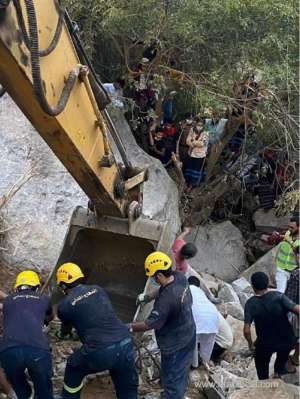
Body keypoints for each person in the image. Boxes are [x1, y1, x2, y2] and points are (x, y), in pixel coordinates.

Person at [56, 262, 138, 399]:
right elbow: (99, 314)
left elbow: (65, 331)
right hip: (126, 342)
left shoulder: (64, 305)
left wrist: (62, 334)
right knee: (126, 387)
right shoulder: (97, 289)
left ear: (63, 285)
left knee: (73, 366)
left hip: (101, 351)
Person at [130, 252, 195, 399]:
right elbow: (162, 289)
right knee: (177, 372)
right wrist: (147, 297)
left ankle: (172, 395)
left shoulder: (166, 300)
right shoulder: (179, 277)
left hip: (175, 343)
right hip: (188, 332)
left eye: (153, 276)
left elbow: (150, 323)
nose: (152, 279)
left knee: (173, 379)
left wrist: (128, 326)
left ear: (159, 275)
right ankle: (169, 391)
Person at [0, 270, 53, 399]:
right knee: (43, 388)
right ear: (36, 287)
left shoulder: (7, 301)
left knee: (19, 386)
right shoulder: (44, 298)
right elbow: (50, 316)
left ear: (17, 287)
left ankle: (24, 394)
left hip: (9, 350)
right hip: (38, 350)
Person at [243, 271, 300, 380]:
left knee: (260, 360)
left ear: (253, 286)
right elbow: (298, 310)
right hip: (287, 340)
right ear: (268, 283)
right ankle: (279, 371)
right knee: (283, 354)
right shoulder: (278, 297)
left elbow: (246, 330)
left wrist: (251, 344)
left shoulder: (250, 304)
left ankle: (264, 381)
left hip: (265, 343)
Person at [188, 276, 219, 369]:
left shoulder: (187, 289)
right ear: (198, 285)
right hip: (213, 317)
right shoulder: (202, 292)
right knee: (207, 344)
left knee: (192, 343)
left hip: (198, 318)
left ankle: (194, 365)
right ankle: (205, 363)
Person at [275, 216, 300, 293]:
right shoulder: (287, 233)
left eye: (292, 227)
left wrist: (293, 246)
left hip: (294, 272)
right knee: (280, 294)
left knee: (291, 296)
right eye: (289, 226)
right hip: (281, 269)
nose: (289, 229)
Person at [285, 245, 300, 368]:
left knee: (292, 335)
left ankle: (287, 365)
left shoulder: (296, 274)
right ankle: (296, 357)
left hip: (297, 311)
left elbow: (289, 297)